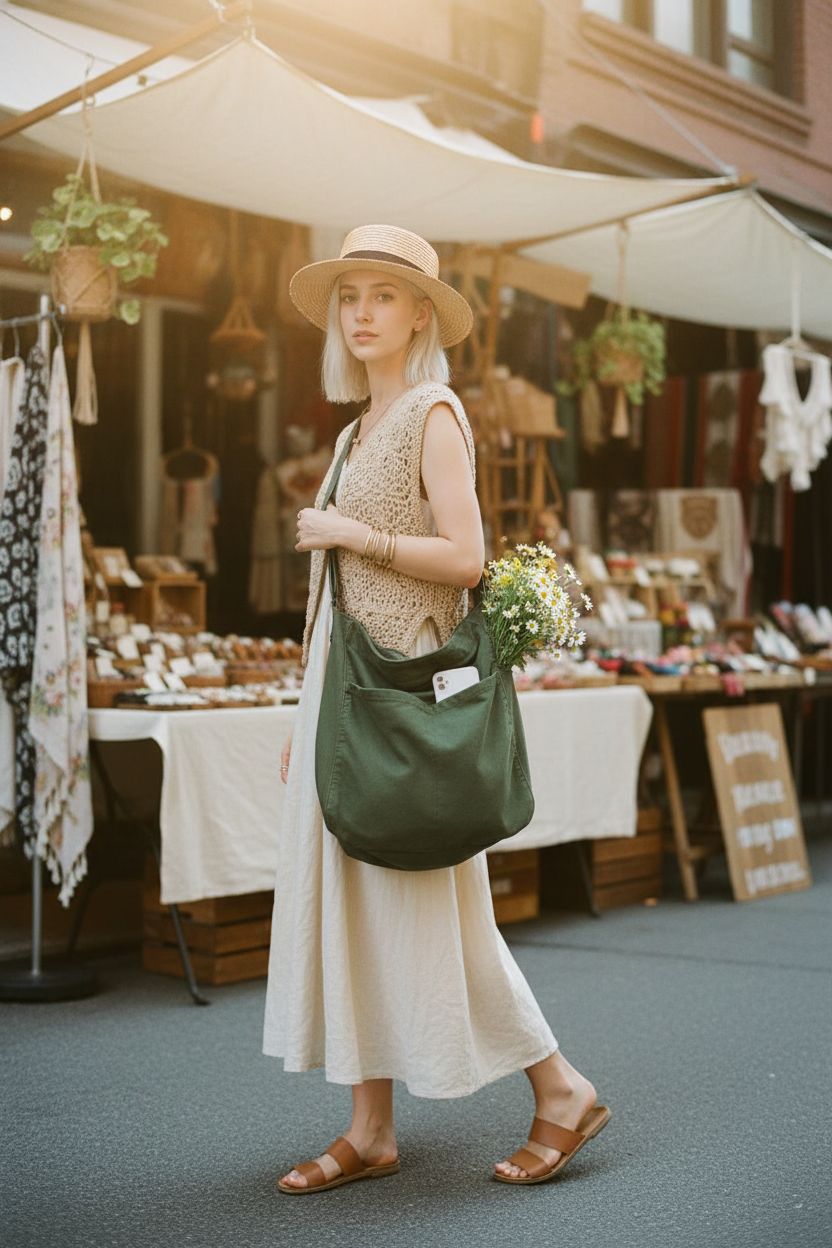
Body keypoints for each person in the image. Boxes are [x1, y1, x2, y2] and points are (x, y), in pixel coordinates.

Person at [262, 225, 610, 1193]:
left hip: (406, 700)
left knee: (430, 909)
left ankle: (562, 1085)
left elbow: (466, 559)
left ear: (422, 313)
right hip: (351, 693)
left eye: (382, 294)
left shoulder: (433, 413)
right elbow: (328, 598)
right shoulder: (351, 430)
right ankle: (369, 1126)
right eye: (349, 296)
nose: (361, 312)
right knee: (361, 908)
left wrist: (354, 532)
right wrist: (306, 714)